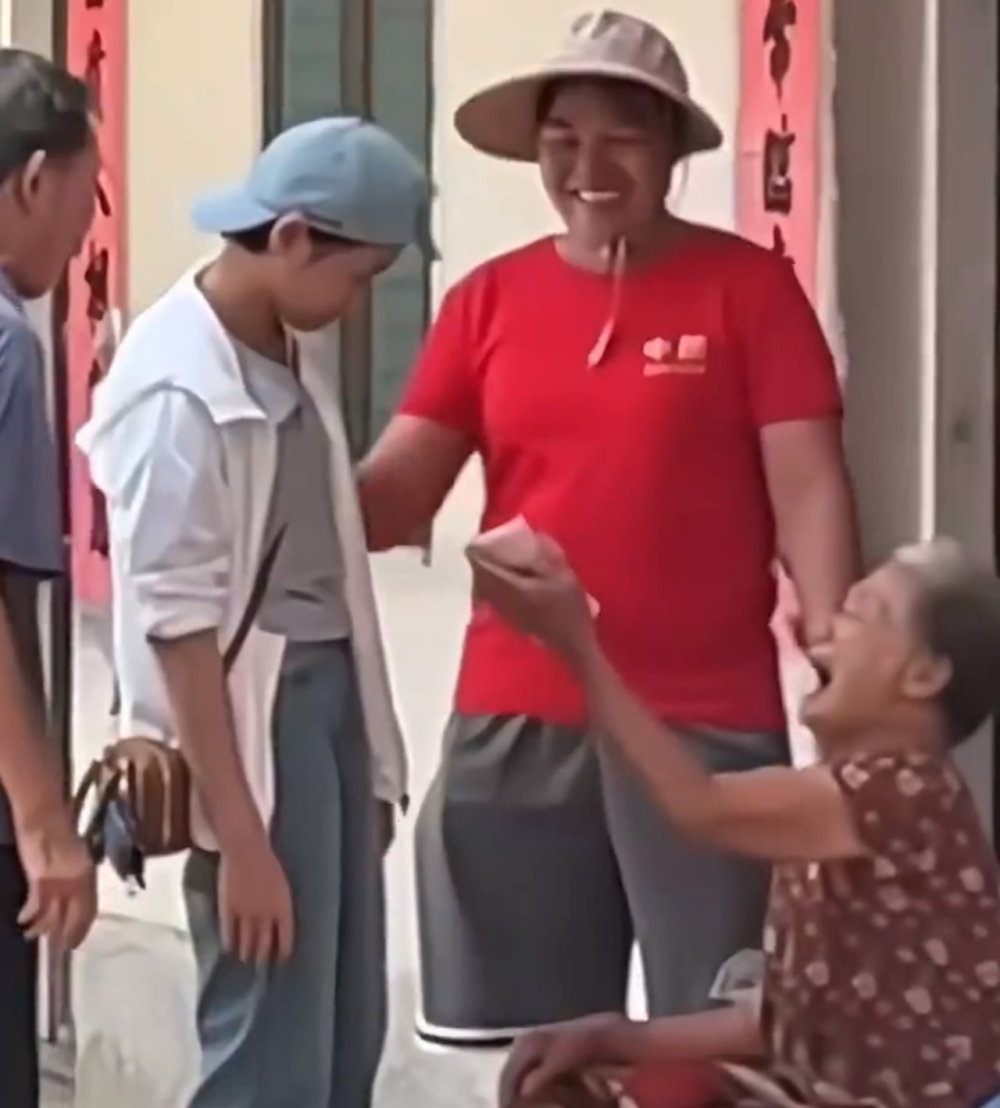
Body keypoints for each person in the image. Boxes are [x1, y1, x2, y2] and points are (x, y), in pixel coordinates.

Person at [358, 9, 859, 1039]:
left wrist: (837, 656)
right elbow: (393, 497)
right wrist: (268, 426)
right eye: (562, 141)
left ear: (671, 149)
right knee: (535, 1053)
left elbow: (808, 486)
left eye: (620, 139)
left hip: (704, 718)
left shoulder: (749, 292)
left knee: (713, 1042)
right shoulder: (487, 302)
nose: (587, 168)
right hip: (519, 712)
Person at [77, 118, 431, 1108]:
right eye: (358, 277)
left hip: (325, 700)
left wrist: (369, 762)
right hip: (250, 724)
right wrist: (241, 840)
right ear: (291, 239)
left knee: (342, 1031)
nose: (358, 304)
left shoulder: (282, 339)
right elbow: (178, 631)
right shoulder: (176, 388)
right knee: (270, 1043)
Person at [474, 535, 1000, 1108]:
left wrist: (579, 647)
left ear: (923, 676)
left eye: (862, 614)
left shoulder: (902, 791)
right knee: (563, 1085)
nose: (827, 633)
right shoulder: (848, 803)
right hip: (807, 1087)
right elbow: (777, 1022)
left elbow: (698, 806)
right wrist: (611, 1036)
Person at [0, 48, 100, 1108]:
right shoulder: (7, 348)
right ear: (35, 179)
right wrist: (40, 819)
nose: (82, 231)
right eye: (85, 194)